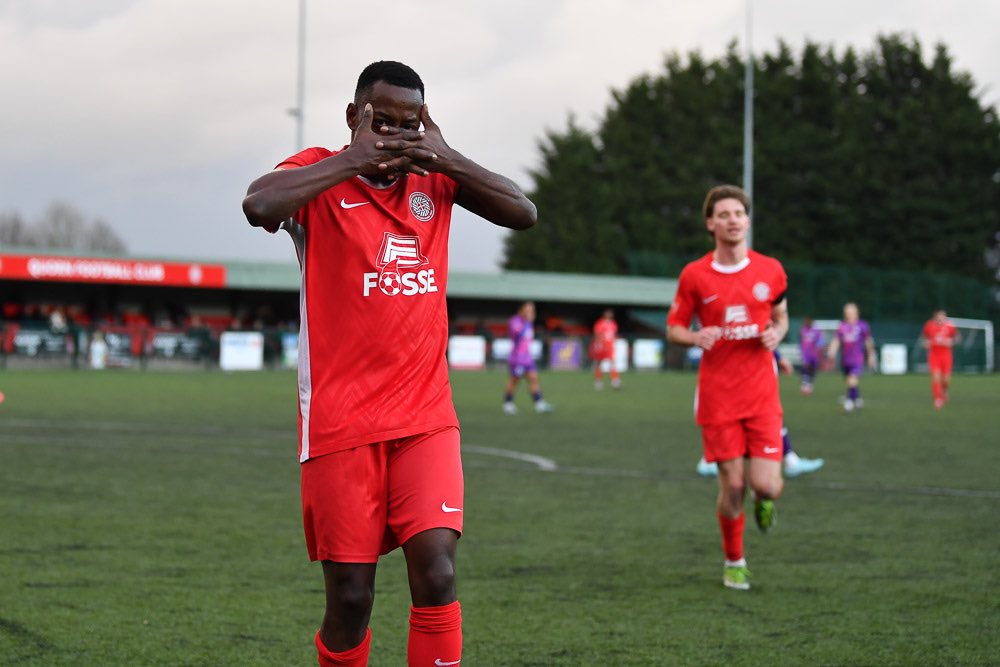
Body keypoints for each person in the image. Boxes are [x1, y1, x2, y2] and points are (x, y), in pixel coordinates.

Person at [242, 60, 536, 667]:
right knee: (351, 599)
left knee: (438, 572)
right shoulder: (318, 177)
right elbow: (258, 203)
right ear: (354, 118)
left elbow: (522, 211)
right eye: (383, 122)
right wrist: (353, 159)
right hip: (340, 426)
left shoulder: (436, 179)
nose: (397, 137)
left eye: (410, 124)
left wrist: (447, 157)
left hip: (426, 418)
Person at [666, 184, 788, 591]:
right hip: (718, 396)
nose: (732, 220)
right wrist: (695, 337)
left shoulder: (771, 269)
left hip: (762, 394)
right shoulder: (695, 275)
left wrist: (778, 335)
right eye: (724, 214)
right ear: (710, 224)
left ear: (747, 220)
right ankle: (734, 560)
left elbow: (781, 316)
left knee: (765, 484)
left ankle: (765, 500)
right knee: (733, 485)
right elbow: (674, 328)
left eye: (739, 213)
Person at [696, 351, 824, 478]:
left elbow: (761, 332)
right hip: (735, 372)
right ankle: (710, 459)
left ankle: (789, 460)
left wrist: (778, 356)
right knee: (727, 415)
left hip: (754, 370)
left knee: (768, 415)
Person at [502, 301, 555, 415]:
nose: (530, 312)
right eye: (528, 309)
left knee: (534, 378)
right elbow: (519, 335)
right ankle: (508, 404)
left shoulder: (528, 322)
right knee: (514, 380)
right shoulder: (515, 321)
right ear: (521, 310)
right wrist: (527, 322)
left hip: (527, 357)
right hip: (517, 358)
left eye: (532, 310)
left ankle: (539, 403)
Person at [825, 302, 876, 413]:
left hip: (857, 359)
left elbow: (868, 341)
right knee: (850, 380)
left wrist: (871, 356)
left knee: (852, 379)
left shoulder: (862, 325)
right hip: (845, 359)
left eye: (850, 310)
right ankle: (857, 399)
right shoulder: (842, 326)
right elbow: (836, 340)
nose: (847, 312)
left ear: (856, 312)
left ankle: (849, 403)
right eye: (846, 310)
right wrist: (831, 352)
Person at [920, 308, 960, 409]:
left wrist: (952, 341)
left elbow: (957, 338)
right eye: (940, 315)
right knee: (936, 377)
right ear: (935, 316)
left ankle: (944, 391)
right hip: (934, 355)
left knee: (946, 379)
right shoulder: (929, 325)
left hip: (946, 355)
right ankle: (938, 399)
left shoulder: (950, 325)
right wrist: (926, 344)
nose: (941, 317)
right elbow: (923, 338)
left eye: (943, 315)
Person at [591, 308, 622, 390]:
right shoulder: (600, 323)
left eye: (611, 314)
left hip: (610, 346)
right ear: (604, 315)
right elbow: (597, 334)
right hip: (602, 346)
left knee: (612, 363)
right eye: (608, 314)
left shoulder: (613, 324)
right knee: (599, 363)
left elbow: (613, 335)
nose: (610, 315)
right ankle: (598, 381)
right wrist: (601, 344)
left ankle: (615, 381)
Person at [798, 316, 824, 395]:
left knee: (812, 370)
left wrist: (819, 348)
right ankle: (804, 385)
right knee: (805, 369)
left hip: (814, 354)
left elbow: (820, 341)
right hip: (806, 354)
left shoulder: (816, 331)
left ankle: (810, 385)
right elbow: (801, 341)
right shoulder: (803, 330)